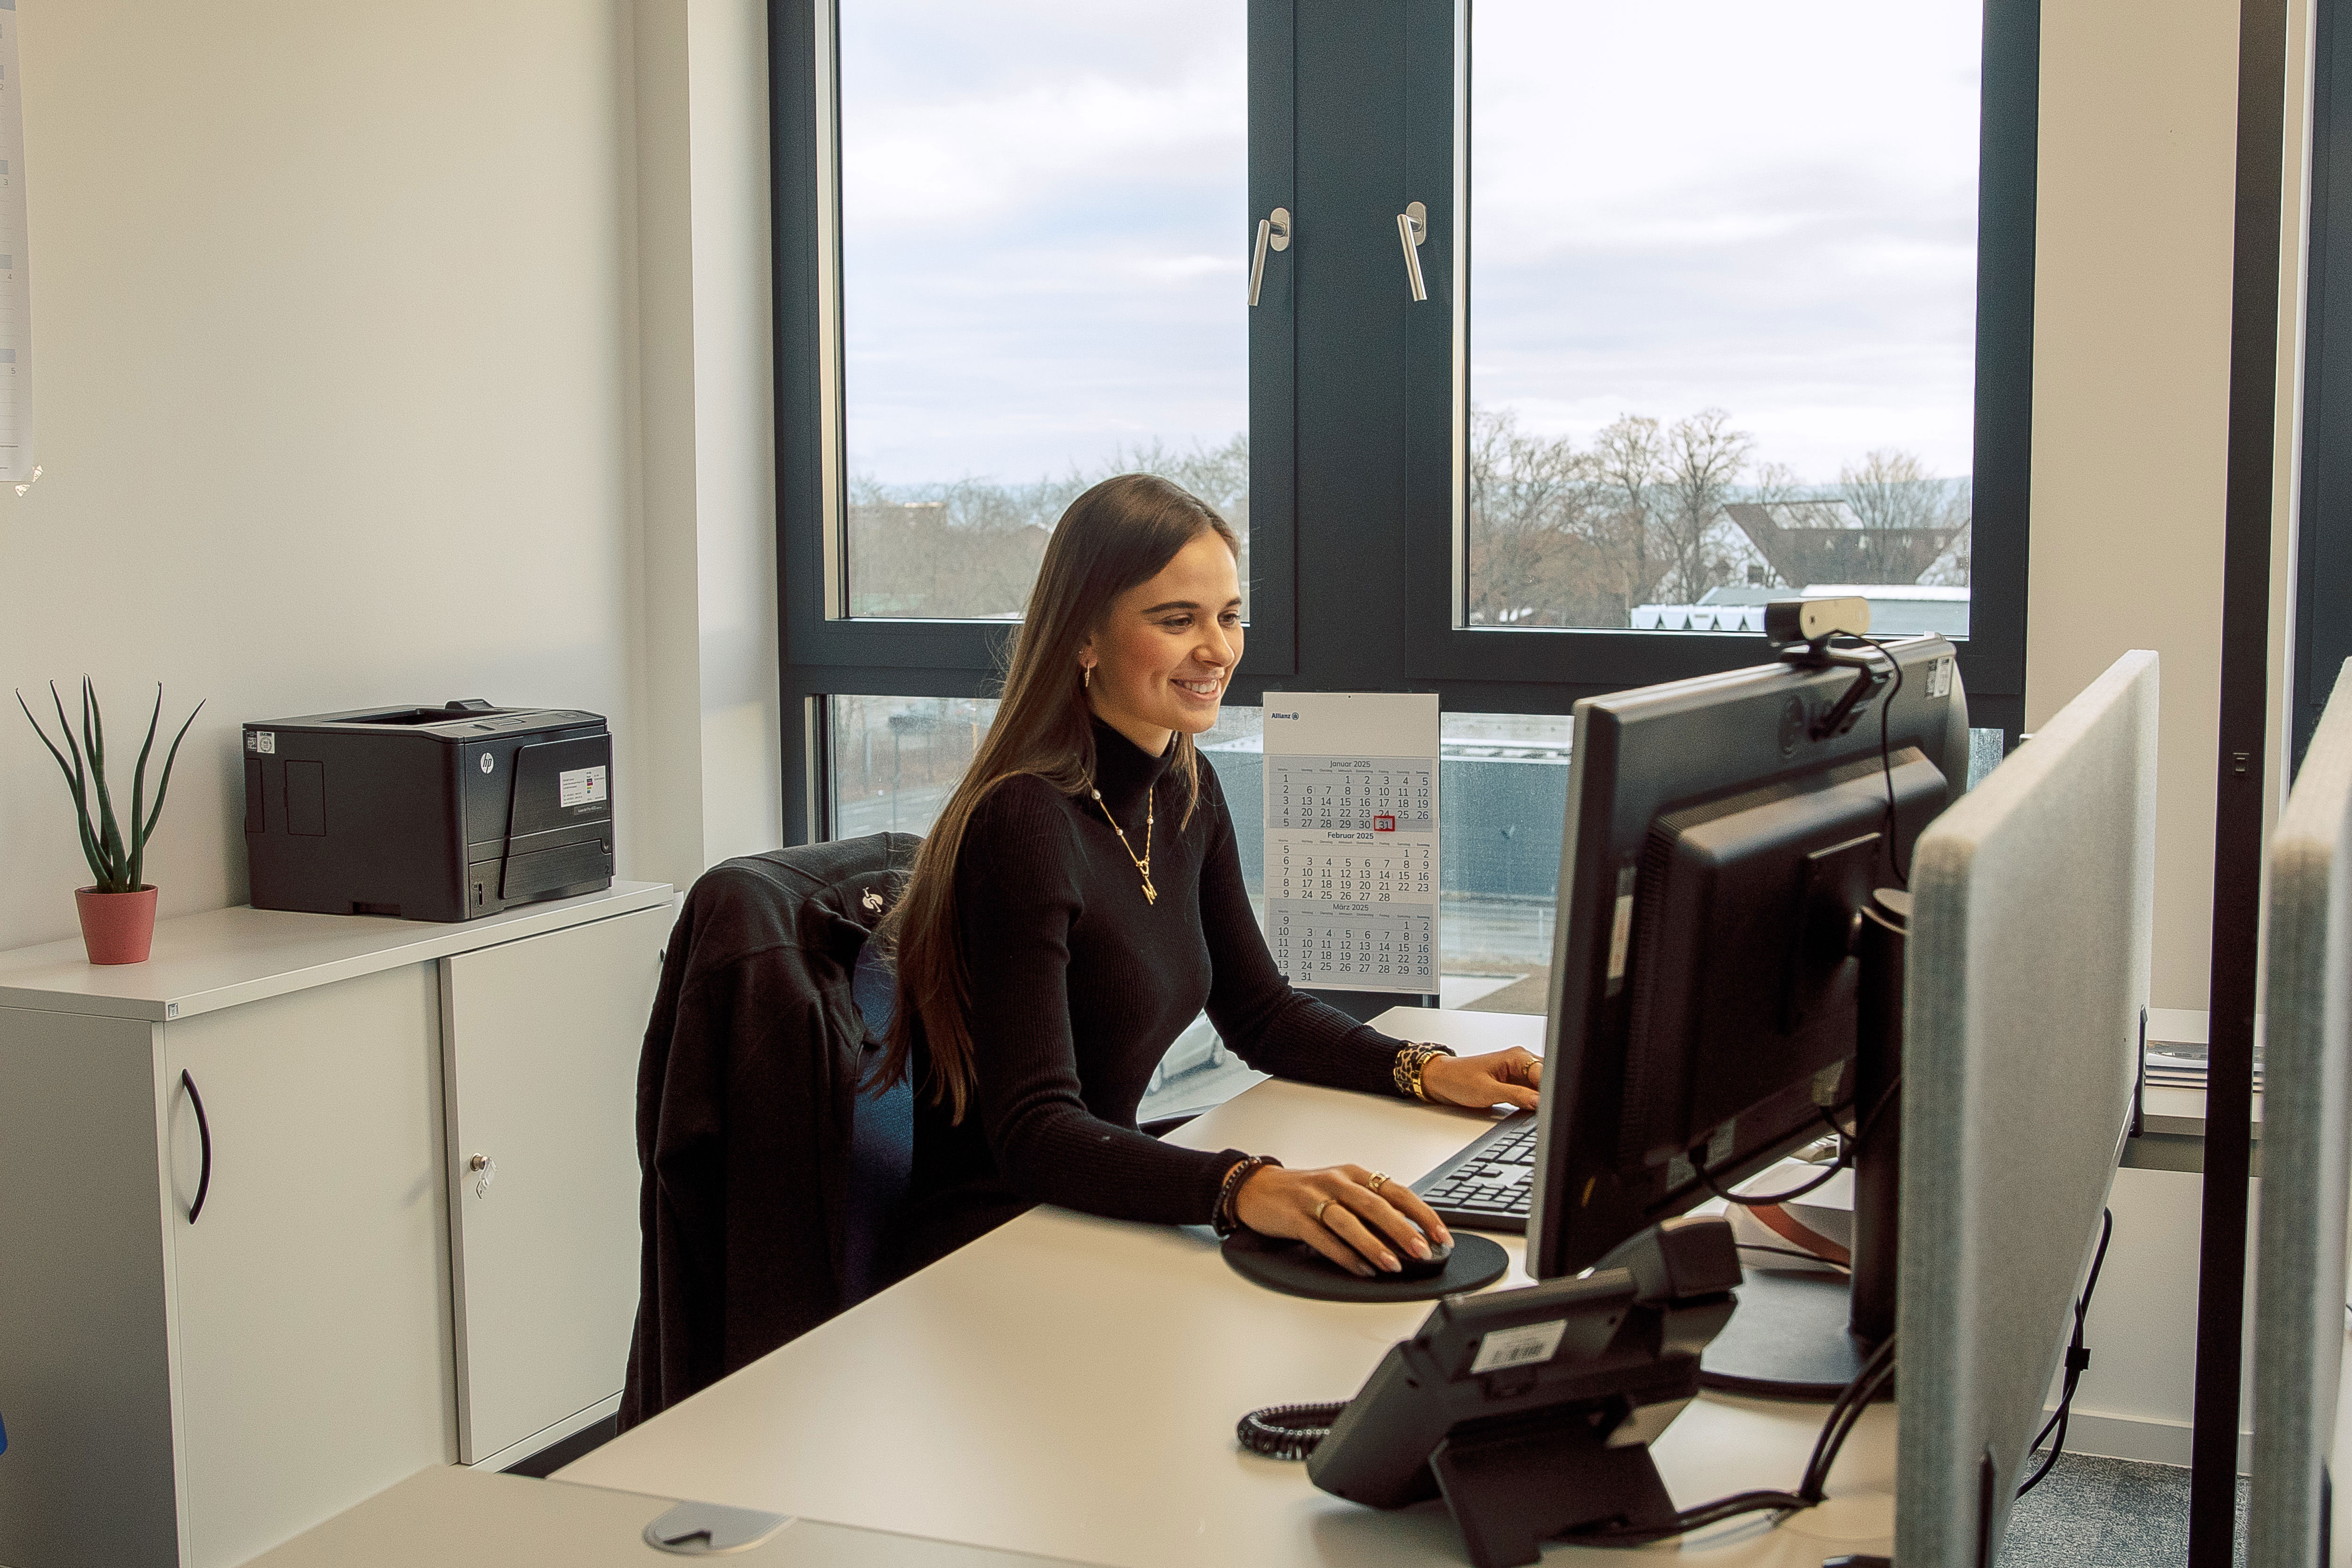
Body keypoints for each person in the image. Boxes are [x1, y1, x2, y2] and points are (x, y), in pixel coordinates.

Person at [874, 473, 1543, 1281]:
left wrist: (1428, 1068)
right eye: (1177, 620)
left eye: (1229, 616)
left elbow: (1259, 1013)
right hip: (993, 1245)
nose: (1219, 649)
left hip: (1097, 1212)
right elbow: (1035, 1130)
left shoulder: (1184, 788)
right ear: (1084, 636)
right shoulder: (1023, 820)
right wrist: (1242, 1185)